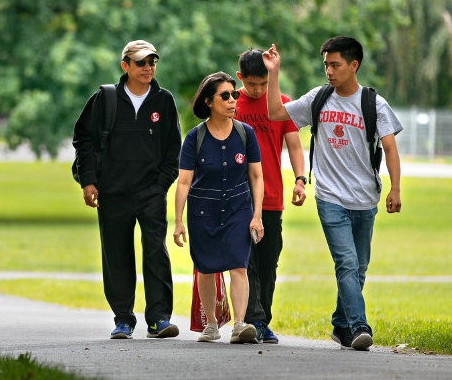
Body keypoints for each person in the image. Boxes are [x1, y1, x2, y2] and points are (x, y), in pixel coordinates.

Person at [263, 38, 404, 351]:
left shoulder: (373, 103)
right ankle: (359, 327)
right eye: (326, 64)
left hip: (366, 198)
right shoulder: (319, 98)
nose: (328, 70)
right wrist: (274, 72)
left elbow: (390, 147)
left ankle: (340, 325)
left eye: (335, 64)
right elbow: (274, 112)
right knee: (346, 262)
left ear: (353, 65)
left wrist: (395, 187)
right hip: (329, 196)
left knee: (359, 267)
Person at [72, 40, 182, 340]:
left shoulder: (164, 100)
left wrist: (160, 186)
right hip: (112, 192)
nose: (148, 68)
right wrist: (89, 181)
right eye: (141, 63)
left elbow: (174, 149)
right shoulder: (104, 98)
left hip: (151, 193)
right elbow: (84, 140)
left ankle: (159, 319)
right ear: (126, 66)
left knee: (156, 253)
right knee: (117, 256)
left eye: (152, 62)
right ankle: (123, 319)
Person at [173, 72, 265, 344]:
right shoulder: (194, 137)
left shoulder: (245, 133)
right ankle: (211, 323)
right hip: (203, 211)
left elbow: (257, 177)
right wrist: (178, 221)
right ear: (209, 102)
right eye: (225, 95)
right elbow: (184, 182)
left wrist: (257, 215)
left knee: (238, 265)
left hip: (239, 208)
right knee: (206, 267)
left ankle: (239, 324)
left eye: (234, 94)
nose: (232, 99)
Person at [234, 49, 307, 344]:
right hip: (239, 196)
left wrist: (300, 180)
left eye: (264, 84)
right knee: (245, 260)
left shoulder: (281, 104)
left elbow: (295, 146)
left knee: (268, 262)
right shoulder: (231, 103)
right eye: (253, 85)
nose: (259, 90)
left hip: (272, 197)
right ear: (241, 78)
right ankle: (255, 320)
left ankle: (263, 320)